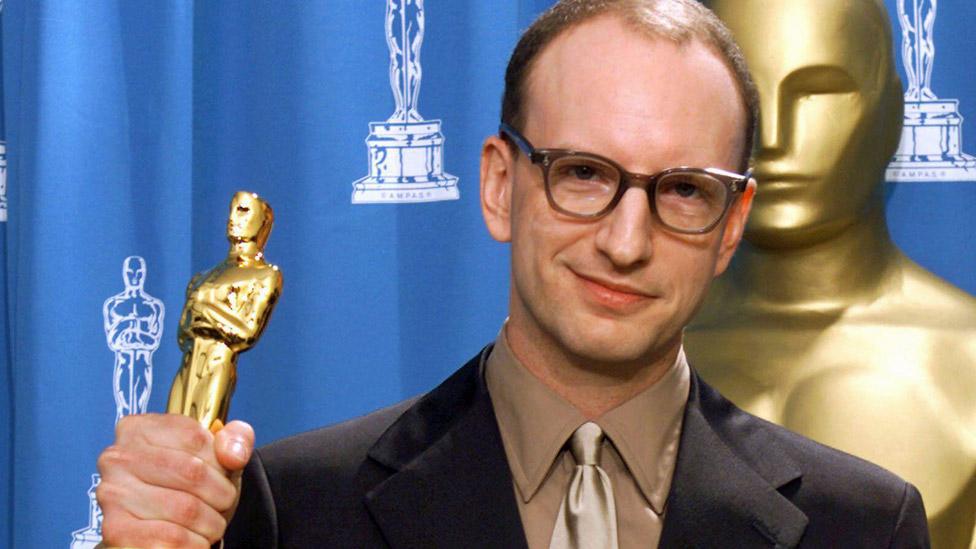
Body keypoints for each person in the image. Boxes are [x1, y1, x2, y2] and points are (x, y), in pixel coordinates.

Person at [95, 1, 931, 547]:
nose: (625, 241)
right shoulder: (300, 508)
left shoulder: (861, 524)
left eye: (682, 190)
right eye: (583, 174)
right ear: (501, 184)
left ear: (730, 227)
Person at [686, 1, 976, 546]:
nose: (774, 134)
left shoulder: (968, 360)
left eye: (818, 89)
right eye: (743, 89)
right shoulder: (630, 353)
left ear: (892, 112)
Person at [103, 255, 164, 425]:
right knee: (123, 410)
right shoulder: (114, 305)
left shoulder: (153, 306)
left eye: (139, 272)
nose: (135, 277)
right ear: (125, 273)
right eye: (131, 272)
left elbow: (154, 341)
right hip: (123, 362)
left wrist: (131, 331)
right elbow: (113, 340)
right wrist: (131, 325)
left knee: (140, 409)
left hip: (143, 363)